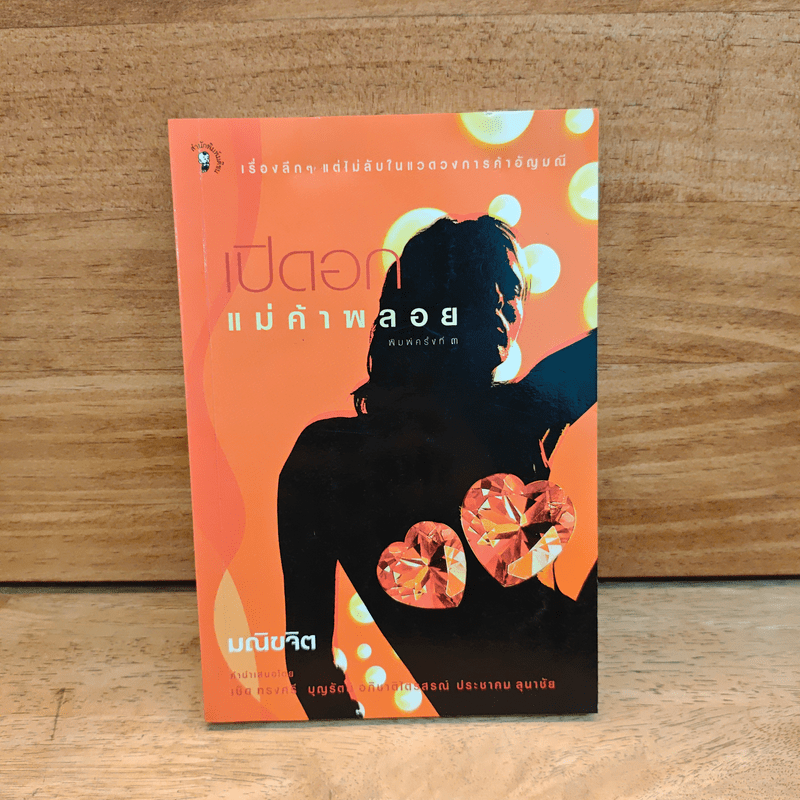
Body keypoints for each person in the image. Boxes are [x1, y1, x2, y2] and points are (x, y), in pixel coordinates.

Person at [279, 215, 597, 719]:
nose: (504, 301)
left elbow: (606, 346)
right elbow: (306, 655)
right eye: (483, 278)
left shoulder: (520, 411)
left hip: (578, 671)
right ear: (427, 300)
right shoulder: (327, 456)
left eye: (514, 290)